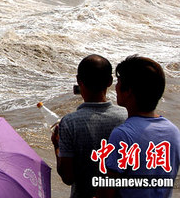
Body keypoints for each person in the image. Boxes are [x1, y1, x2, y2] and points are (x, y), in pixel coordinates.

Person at [97, 56, 180, 198]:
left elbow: (106, 193)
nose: (116, 87)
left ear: (128, 91)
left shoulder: (122, 135)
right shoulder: (173, 132)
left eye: (118, 81)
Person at [51, 54, 127, 198]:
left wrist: (56, 145)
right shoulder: (127, 116)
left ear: (79, 81)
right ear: (110, 81)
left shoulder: (69, 123)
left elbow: (68, 177)